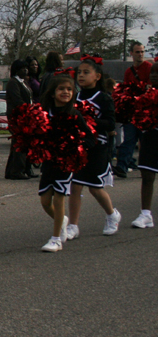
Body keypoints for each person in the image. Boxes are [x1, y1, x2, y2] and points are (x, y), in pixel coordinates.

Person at [66, 55, 120, 239]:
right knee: (75, 186)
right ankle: (73, 225)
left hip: (98, 147)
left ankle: (112, 214)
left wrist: (89, 121)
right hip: (79, 147)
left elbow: (110, 123)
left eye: (86, 72)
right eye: (79, 72)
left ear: (97, 76)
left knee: (95, 188)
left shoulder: (104, 98)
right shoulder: (75, 96)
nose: (81, 75)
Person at [37, 76, 90, 252]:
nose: (65, 92)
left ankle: (56, 239)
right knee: (45, 201)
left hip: (66, 162)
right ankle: (62, 221)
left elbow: (89, 137)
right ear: (52, 93)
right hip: (48, 161)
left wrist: (76, 148)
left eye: (69, 89)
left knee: (59, 198)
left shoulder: (74, 114)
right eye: (61, 89)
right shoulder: (45, 112)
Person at [113, 42, 151, 178]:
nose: (140, 54)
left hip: (146, 112)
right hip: (132, 111)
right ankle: (122, 166)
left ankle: (148, 168)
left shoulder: (149, 68)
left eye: (142, 51)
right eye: (137, 52)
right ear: (131, 53)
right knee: (129, 139)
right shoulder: (129, 71)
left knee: (146, 142)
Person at [132, 61, 158, 229]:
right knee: (147, 175)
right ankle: (145, 214)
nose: (154, 75)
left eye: (157, 73)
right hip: (150, 137)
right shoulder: (146, 93)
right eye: (152, 72)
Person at [5, 59, 33, 180]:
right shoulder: (13, 83)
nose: (25, 70)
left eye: (26, 68)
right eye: (22, 69)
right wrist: (29, 109)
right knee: (19, 143)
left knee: (19, 143)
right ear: (16, 70)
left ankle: (14, 170)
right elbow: (17, 99)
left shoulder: (23, 82)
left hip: (25, 116)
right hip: (17, 117)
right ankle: (17, 171)